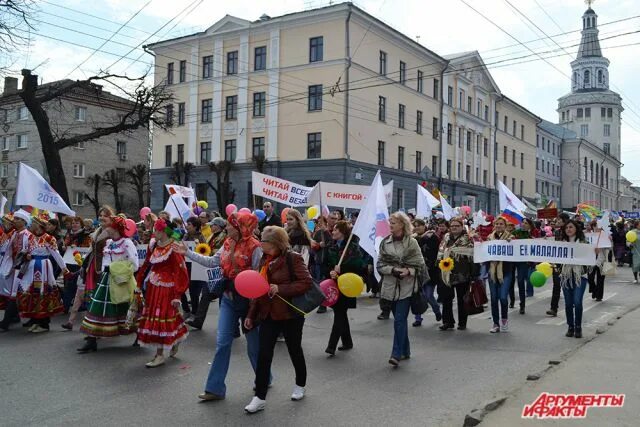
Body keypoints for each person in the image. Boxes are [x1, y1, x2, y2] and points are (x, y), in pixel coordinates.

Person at [176, 212, 263, 402]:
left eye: (231, 225)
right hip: (228, 299)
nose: (228, 228)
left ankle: (264, 377)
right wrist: (188, 253)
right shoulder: (226, 243)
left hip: (248, 303)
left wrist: (254, 305)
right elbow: (212, 262)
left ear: (241, 227)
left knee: (254, 347)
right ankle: (215, 389)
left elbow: (259, 277)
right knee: (222, 343)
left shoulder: (256, 247)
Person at [243, 226, 312, 413]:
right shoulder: (264, 261)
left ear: (274, 243)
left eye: (263, 240)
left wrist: (281, 288)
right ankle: (260, 397)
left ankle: (300, 384)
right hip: (268, 314)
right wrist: (250, 316)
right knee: (264, 355)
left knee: (294, 350)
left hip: (290, 314)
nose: (260, 243)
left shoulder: (293, 258)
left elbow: (306, 282)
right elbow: (257, 290)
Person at [78, 216, 139, 352]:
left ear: (116, 228)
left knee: (127, 308)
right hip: (106, 279)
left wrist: (116, 269)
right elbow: (104, 258)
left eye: (109, 225)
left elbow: (134, 265)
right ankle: (91, 340)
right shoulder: (109, 242)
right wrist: (105, 269)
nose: (106, 227)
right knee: (96, 308)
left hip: (121, 281)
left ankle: (139, 334)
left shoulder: (127, 243)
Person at [136, 219, 190, 367]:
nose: (154, 233)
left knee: (163, 317)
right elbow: (146, 264)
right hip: (154, 286)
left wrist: (178, 294)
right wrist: (139, 282)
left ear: (163, 231)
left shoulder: (173, 247)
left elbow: (181, 271)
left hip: (168, 288)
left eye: (157, 230)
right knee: (158, 317)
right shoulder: (153, 245)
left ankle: (159, 355)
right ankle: (174, 340)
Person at [377, 212, 426, 366]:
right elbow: (380, 265)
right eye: (390, 222)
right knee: (400, 322)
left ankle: (396, 354)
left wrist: (408, 271)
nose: (390, 225)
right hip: (390, 287)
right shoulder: (385, 243)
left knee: (399, 320)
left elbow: (420, 264)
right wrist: (392, 270)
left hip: (406, 287)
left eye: (394, 222)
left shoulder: (412, 243)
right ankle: (406, 350)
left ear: (402, 225)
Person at [16, 210, 68, 333]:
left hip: (43, 268)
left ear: (39, 225)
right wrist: (26, 255)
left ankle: (44, 324)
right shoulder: (30, 237)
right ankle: (35, 320)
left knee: (42, 292)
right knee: (30, 291)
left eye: (33, 222)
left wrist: (64, 268)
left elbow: (56, 254)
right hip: (30, 267)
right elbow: (25, 251)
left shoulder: (49, 238)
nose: (31, 224)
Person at [63, 207, 112, 330]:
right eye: (100, 215)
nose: (101, 217)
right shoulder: (98, 231)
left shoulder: (113, 232)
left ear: (110, 217)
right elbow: (91, 249)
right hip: (91, 265)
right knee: (81, 292)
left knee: (98, 296)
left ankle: (99, 324)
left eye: (105, 215)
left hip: (103, 267)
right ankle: (71, 321)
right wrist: (84, 262)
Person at [324, 220, 365, 356]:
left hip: (348, 285)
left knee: (340, 313)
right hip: (334, 285)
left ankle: (331, 345)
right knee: (340, 312)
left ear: (342, 232)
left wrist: (342, 269)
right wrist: (330, 271)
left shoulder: (352, 248)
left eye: (336, 230)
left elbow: (359, 266)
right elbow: (326, 264)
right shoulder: (331, 246)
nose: (333, 232)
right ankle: (347, 342)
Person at [186, 217, 227, 330]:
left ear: (218, 226)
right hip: (212, 270)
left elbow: (218, 253)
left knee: (223, 300)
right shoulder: (211, 236)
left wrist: (208, 251)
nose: (210, 227)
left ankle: (233, 328)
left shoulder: (224, 237)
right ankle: (198, 321)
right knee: (206, 295)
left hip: (220, 271)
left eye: (213, 225)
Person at [437, 217, 475, 331]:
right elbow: (441, 250)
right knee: (446, 298)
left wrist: (473, 274)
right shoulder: (446, 237)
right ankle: (448, 321)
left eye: (456, 226)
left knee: (461, 299)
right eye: (452, 226)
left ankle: (462, 322)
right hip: (446, 272)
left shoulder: (467, 238)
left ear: (462, 227)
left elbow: (472, 255)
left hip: (462, 272)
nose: (454, 228)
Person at [0, 210, 34, 331]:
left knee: (14, 294)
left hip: (23, 268)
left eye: (17, 219)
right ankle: (14, 317)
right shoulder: (14, 233)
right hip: (13, 267)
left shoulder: (28, 235)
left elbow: (32, 250)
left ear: (24, 221)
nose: (14, 221)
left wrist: (27, 256)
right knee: (11, 293)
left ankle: (5, 323)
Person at [558, 219, 590, 338]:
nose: (568, 229)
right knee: (568, 303)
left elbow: (591, 256)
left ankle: (578, 327)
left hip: (579, 276)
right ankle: (570, 326)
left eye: (571, 227)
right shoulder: (561, 243)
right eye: (566, 228)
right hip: (566, 276)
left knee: (577, 302)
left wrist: (595, 252)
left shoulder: (583, 242)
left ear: (576, 228)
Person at [412, 219, 442, 326]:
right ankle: (418, 318)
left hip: (430, 271)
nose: (417, 228)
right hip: (416, 271)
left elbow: (436, 252)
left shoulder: (432, 236)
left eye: (419, 225)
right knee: (417, 296)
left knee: (428, 295)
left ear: (424, 226)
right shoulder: (412, 238)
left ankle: (437, 310)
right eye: (415, 226)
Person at [485, 217, 513, 333]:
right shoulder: (489, 238)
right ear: (494, 225)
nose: (499, 226)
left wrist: (511, 243)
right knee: (494, 298)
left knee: (502, 297)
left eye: (501, 224)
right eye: (497, 224)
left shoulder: (511, 238)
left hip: (506, 272)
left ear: (505, 226)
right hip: (492, 272)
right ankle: (496, 323)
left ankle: (504, 320)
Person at [61, 216, 92, 315]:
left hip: (80, 263)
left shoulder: (86, 235)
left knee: (79, 285)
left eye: (77, 223)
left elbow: (88, 248)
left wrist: (78, 247)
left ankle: (81, 305)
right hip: (69, 262)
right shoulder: (69, 235)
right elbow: (65, 245)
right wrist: (64, 247)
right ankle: (66, 306)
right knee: (68, 284)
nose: (74, 225)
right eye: (73, 223)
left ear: (81, 225)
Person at [511, 218, 536, 314]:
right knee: (511, 281)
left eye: (526, 223)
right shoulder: (516, 232)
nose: (524, 224)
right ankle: (512, 300)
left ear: (530, 225)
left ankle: (522, 304)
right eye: (523, 222)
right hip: (513, 260)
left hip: (524, 262)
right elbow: (510, 239)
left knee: (521, 281)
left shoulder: (532, 234)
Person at [183, 216, 206, 317]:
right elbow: (174, 239)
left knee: (193, 292)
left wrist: (198, 246)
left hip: (196, 267)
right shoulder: (185, 236)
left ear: (195, 226)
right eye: (187, 224)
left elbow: (205, 251)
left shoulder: (201, 237)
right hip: (185, 266)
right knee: (181, 289)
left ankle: (194, 312)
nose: (187, 226)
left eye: (189, 225)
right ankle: (186, 310)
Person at [547, 213, 570, 316]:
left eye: (559, 220)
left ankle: (571, 304)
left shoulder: (571, 231)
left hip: (569, 263)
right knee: (556, 285)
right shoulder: (556, 232)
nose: (557, 222)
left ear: (564, 220)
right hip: (558, 262)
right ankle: (553, 308)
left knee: (568, 285)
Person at [588, 221, 610, 301]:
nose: (598, 228)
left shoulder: (605, 235)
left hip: (602, 260)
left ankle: (599, 296)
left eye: (600, 226)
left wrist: (610, 241)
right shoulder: (589, 235)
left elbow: (609, 248)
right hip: (591, 260)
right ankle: (594, 290)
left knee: (600, 279)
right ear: (593, 227)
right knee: (590, 278)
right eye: (596, 226)